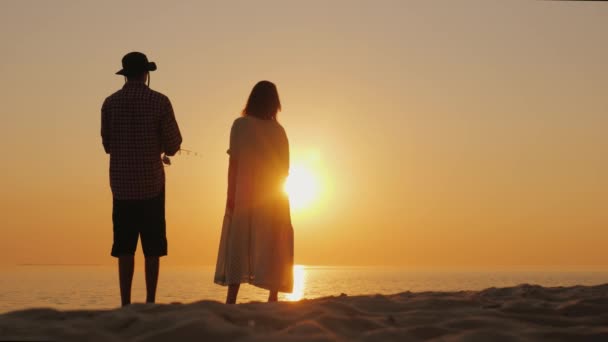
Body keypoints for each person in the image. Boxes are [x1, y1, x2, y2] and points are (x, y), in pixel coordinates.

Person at [101, 52, 182, 306]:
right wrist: (161, 149)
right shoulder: (160, 101)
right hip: (152, 186)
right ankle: (150, 301)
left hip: (122, 186)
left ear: (125, 75)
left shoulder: (110, 103)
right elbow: (173, 143)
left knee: (124, 247)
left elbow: (107, 145)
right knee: (153, 248)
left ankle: (125, 302)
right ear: (146, 74)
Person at [214, 80, 294, 304]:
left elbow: (234, 164)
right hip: (274, 195)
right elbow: (285, 169)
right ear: (274, 104)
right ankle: (273, 295)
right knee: (273, 240)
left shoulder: (240, 125)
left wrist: (231, 195)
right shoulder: (279, 131)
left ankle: (232, 297)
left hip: (245, 193)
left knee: (239, 239)